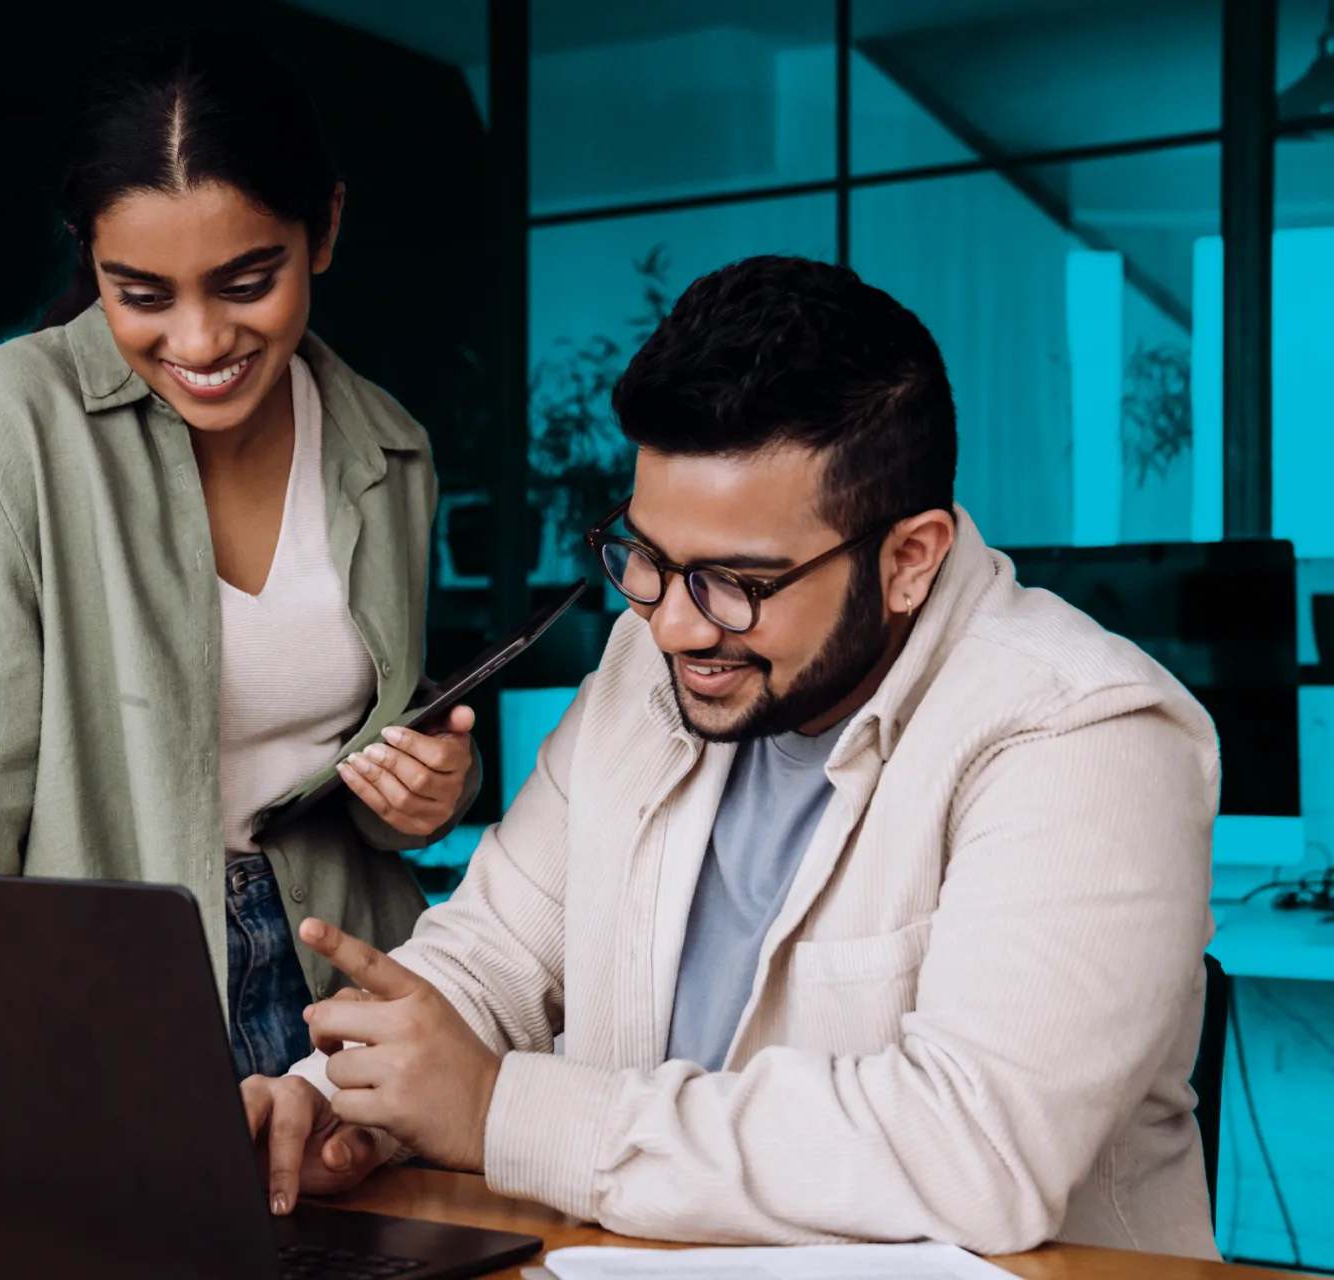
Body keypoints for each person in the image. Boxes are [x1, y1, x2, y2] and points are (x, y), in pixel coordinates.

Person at [240, 255, 1221, 1259]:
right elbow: (494, 954)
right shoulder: (652, 664)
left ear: (910, 557)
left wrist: (502, 1109)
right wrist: (335, 1099)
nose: (670, 623)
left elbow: (975, 1152)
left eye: (733, 581)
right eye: (649, 559)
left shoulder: (1085, 731)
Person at [0, 26, 479, 1223]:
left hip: (346, 1003)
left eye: (247, 278)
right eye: (142, 294)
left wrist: (438, 787)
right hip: (99, 1001)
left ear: (324, 226)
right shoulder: (3, 423)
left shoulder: (389, 444)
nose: (202, 342)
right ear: (89, 259)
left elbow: (374, 753)